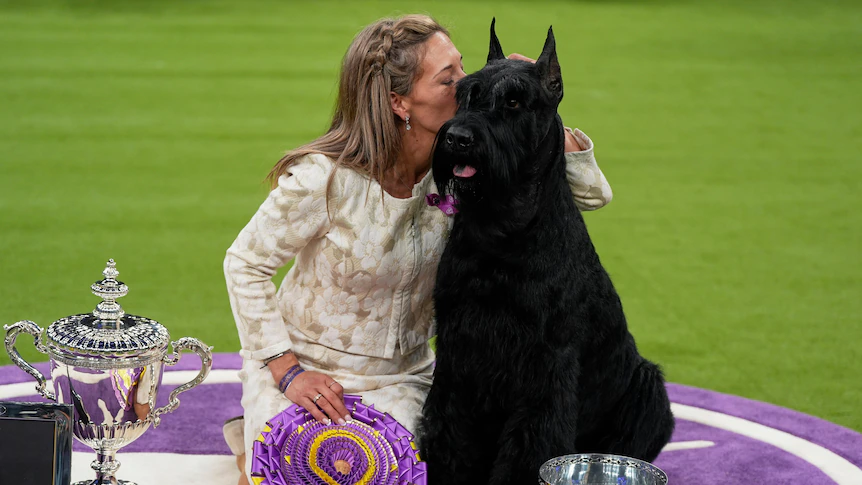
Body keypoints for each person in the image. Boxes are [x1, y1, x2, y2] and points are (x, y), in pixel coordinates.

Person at [222, 14, 613, 484]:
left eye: (464, 68)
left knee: (393, 474)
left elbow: (591, 195)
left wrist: (535, 100)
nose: (467, 84)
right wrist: (287, 371)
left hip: (404, 378)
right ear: (398, 101)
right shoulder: (322, 179)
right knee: (306, 470)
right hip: (306, 372)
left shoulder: (465, 168)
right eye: (449, 78)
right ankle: (255, 435)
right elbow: (243, 263)